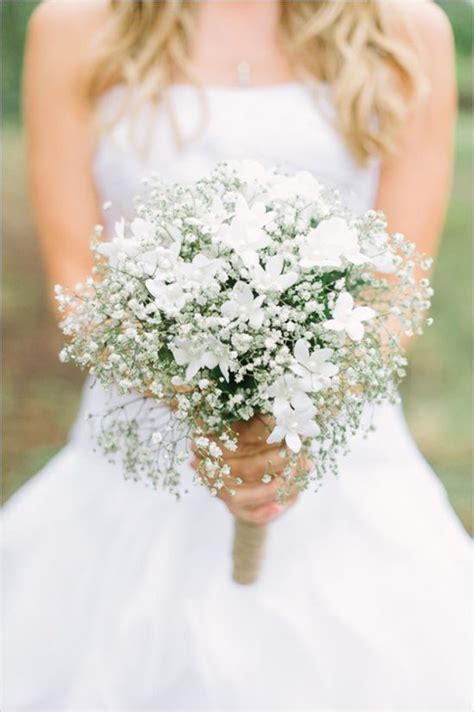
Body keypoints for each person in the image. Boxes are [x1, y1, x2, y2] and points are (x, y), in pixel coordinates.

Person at [2, 1, 471, 709]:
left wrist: (280, 429)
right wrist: (213, 418)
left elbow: (394, 293)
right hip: (143, 442)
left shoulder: (404, 30)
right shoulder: (73, 27)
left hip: (339, 452)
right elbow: (77, 283)